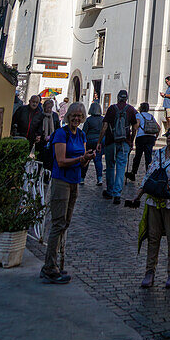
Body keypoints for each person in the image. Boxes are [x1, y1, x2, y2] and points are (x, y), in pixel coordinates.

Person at [126, 124, 170, 289]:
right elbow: (149, 175)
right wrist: (139, 194)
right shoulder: (158, 154)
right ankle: (149, 272)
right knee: (153, 237)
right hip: (154, 202)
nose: (168, 137)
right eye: (167, 134)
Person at [41, 102, 94, 284]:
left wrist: (87, 158)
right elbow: (61, 160)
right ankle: (49, 266)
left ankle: (55, 263)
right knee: (58, 223)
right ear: (68, 115)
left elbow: (81, 162)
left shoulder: (81, 134)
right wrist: (81, 158)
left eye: (80, 116)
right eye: (74, 115)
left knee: (66, 223)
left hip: (74, 182)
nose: (77, 118)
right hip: (61, 181)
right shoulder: (61, 134)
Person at [97, 89, 138, 203]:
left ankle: (109, 191)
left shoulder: (111, 109)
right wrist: (132, 141)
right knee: (121, 167)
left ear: (118, 97)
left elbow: (104, 127)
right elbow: (135, 127)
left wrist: (99, 142)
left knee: (110, 166)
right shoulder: (130, 109)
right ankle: (117, 194)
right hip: (125, 142)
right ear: (126, 98)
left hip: (111, 141)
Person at [126, 102, 159, 182]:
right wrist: (155, 138)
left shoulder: (138, 116)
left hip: (141, 137)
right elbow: (158, 128)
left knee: (138, 156)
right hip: (151, 137)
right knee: (148, 157)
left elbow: (135, 127)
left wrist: (132, 138)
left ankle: (133, 173)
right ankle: (149, 174)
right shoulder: (151, 116)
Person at [35, 98, 60, 180]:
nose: (49, 109)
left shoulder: (55, 115)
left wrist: (52, 136)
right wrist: (39, 135)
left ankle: (47, 177)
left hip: (52, 142)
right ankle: (38, 176)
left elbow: (58, 128)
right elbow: (36, 126)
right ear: (44, 107)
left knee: (49, 160)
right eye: (47, 107)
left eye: (50, 107)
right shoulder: (40, 115)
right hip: (41, 142)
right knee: (40, 159)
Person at [82, 101, 104, 186]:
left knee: (87, 159)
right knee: (98, 160)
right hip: (99, 141)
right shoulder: (102, 119)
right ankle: (99, 178)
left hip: (90, 141)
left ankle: (82, 178)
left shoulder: (89, 120)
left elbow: (84, 132)